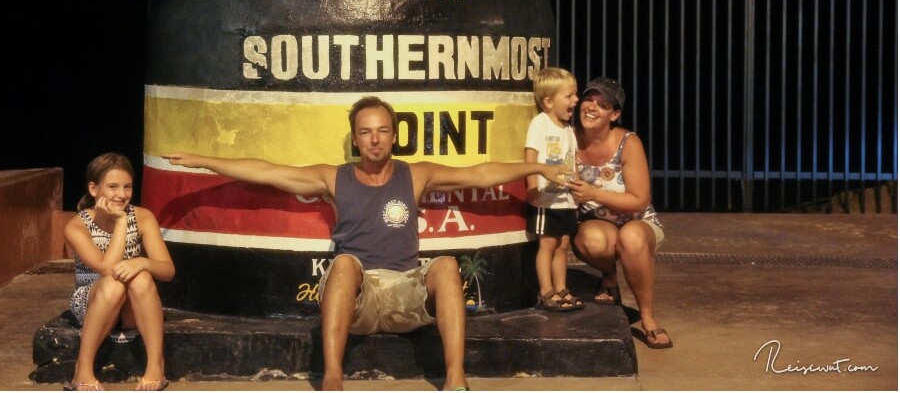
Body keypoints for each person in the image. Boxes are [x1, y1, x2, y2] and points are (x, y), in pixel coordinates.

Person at [163, 95, 568, 391]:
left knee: (445, 263)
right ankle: (333, 378)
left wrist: (538, 166)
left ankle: (456, 379)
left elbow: (481, 173)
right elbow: (267, 171)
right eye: (365, 132)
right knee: (342, 264)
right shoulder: (333, 177)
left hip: (407, 290)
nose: (374, 140)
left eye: (382, 131)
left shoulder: (416, 174)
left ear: (393, 136)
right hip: (360, 295)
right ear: (355, 140)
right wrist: (204, 159)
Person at [566, 78, 673, 349]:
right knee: (590, 239)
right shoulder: (567, 137)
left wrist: (593, 193)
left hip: (638, 221)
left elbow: (639, 200)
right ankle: (609, 277)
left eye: (602, 105)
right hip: (597, 224)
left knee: (632, 238)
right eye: (589, 100)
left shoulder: (628, 142)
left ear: (614, 115)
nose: (592, 108)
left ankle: (648, 317)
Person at [64, 153, 176, 391]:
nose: (122, 194)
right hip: (94, 299)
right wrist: (121, 223)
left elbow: (167, 270)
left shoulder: (144, 217)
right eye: (113, 187)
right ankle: (82, 369)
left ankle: (156, 366)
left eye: (128, 187)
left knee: (142, 276)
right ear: (94, 189)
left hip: (131, 304)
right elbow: (106, 268)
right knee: (113, 283)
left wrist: (142, 263)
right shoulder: (77, 226)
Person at [523, 67, 584, 312]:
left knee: (562, 245)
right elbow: (530, 157)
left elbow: (573, 160)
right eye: (569, 96)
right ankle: (546, 290)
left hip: (565, 200)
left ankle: (561, 287)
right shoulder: (540, 124)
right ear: (548, 101)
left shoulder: (569, 130)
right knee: (547, 245)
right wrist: (531, 188)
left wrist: (577, 188)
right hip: (546, 201)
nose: (575, 100)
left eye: (575, 95)